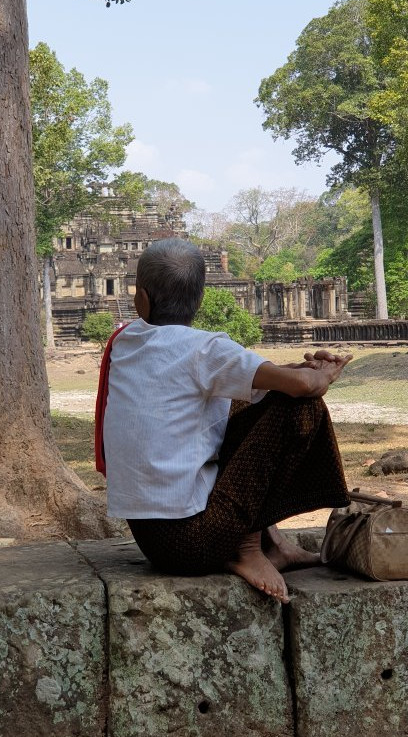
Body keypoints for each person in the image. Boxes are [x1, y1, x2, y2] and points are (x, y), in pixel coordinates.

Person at [98, 238, 351, 604]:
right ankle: (245, 548)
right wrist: (325, 371)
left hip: (151, 541)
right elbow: (302, 388)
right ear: (199, 301)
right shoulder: (205, 349)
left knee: (246, 399)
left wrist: (296, 373)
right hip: (199, 544)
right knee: (300, 407)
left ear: (141, 300)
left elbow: (270, 379)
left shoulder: (126, 341)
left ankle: (274, 543)